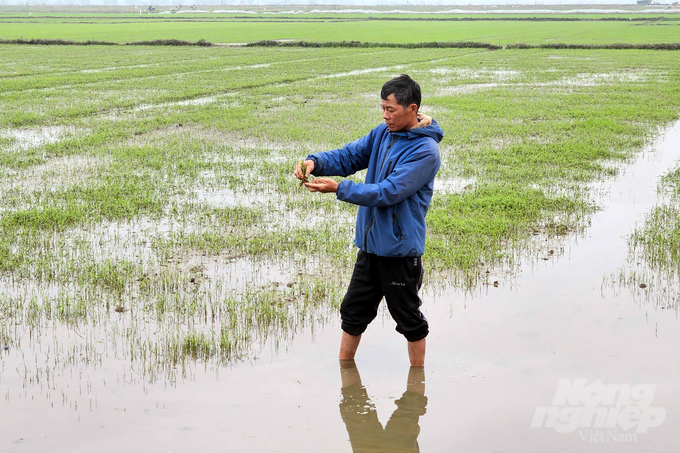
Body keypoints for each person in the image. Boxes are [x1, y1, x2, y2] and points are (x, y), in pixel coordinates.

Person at [294, 74, 443, 367]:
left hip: (399, 250)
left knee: (408, 318)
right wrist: (315, 162)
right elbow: (351, 156)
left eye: (392, 110)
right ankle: (344, 374)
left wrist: (339, 188)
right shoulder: (383, 133)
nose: (385, 115)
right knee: (353, 311)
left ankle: (417, 384)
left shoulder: (425, 151)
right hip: (371, 246)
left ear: (412, 110)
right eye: (383, 108)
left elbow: (388, 192)